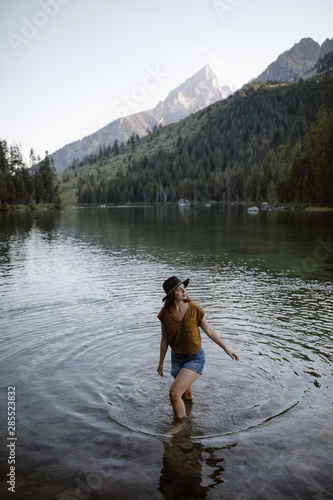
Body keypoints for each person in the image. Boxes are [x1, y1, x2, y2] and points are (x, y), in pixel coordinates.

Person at [157, 276, 239, 427]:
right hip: (176, 359)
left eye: (184, 288)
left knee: (174, 393)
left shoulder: (194, 308)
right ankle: (192, 417)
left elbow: (209, 331)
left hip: (195, 358)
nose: (184, 291)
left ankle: (180, 428)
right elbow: (164, 340)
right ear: (171, 294)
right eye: (179, 289)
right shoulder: (165, 314)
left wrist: (226, 348)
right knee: (186, 396)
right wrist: (161, 362)